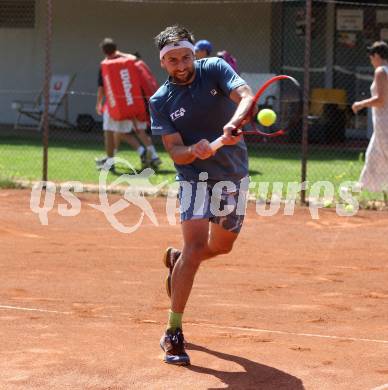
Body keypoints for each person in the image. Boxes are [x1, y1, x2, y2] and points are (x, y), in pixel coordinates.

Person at [149, 25, 254, 365]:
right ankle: (173, 331)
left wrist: (233, 123)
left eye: (185, 56)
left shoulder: (215, 68)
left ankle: (179, 263)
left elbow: (247, 96)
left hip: (232, 175)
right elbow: (174, 151)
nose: (181, 65)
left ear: (194, 54)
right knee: (195, 247)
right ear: (163, 63)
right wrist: (194, 149)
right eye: (172, 60)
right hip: (193, 177)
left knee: (221, 246)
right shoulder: (160, 100)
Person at [95, 38, 161, 171]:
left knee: (110, 132)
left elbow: (102, 88)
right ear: (116, 49)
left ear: (103, 51)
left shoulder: (106, 65)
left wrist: (98, 103)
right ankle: (144, 152)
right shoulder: (129, 63)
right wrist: (121, 53)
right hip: (131, 103)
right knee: (122, 132)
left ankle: (113, 160)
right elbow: (133, 58)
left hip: (114, 105)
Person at [352, 41, 388, 199]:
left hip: (384, 123)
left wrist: (361, 104)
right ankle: (360, 191)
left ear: (377, 55)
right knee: (373, 156)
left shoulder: (381, 71)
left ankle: (360, 191)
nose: (371, 60)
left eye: (371, 56)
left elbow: (381, 100)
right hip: (381, 124)